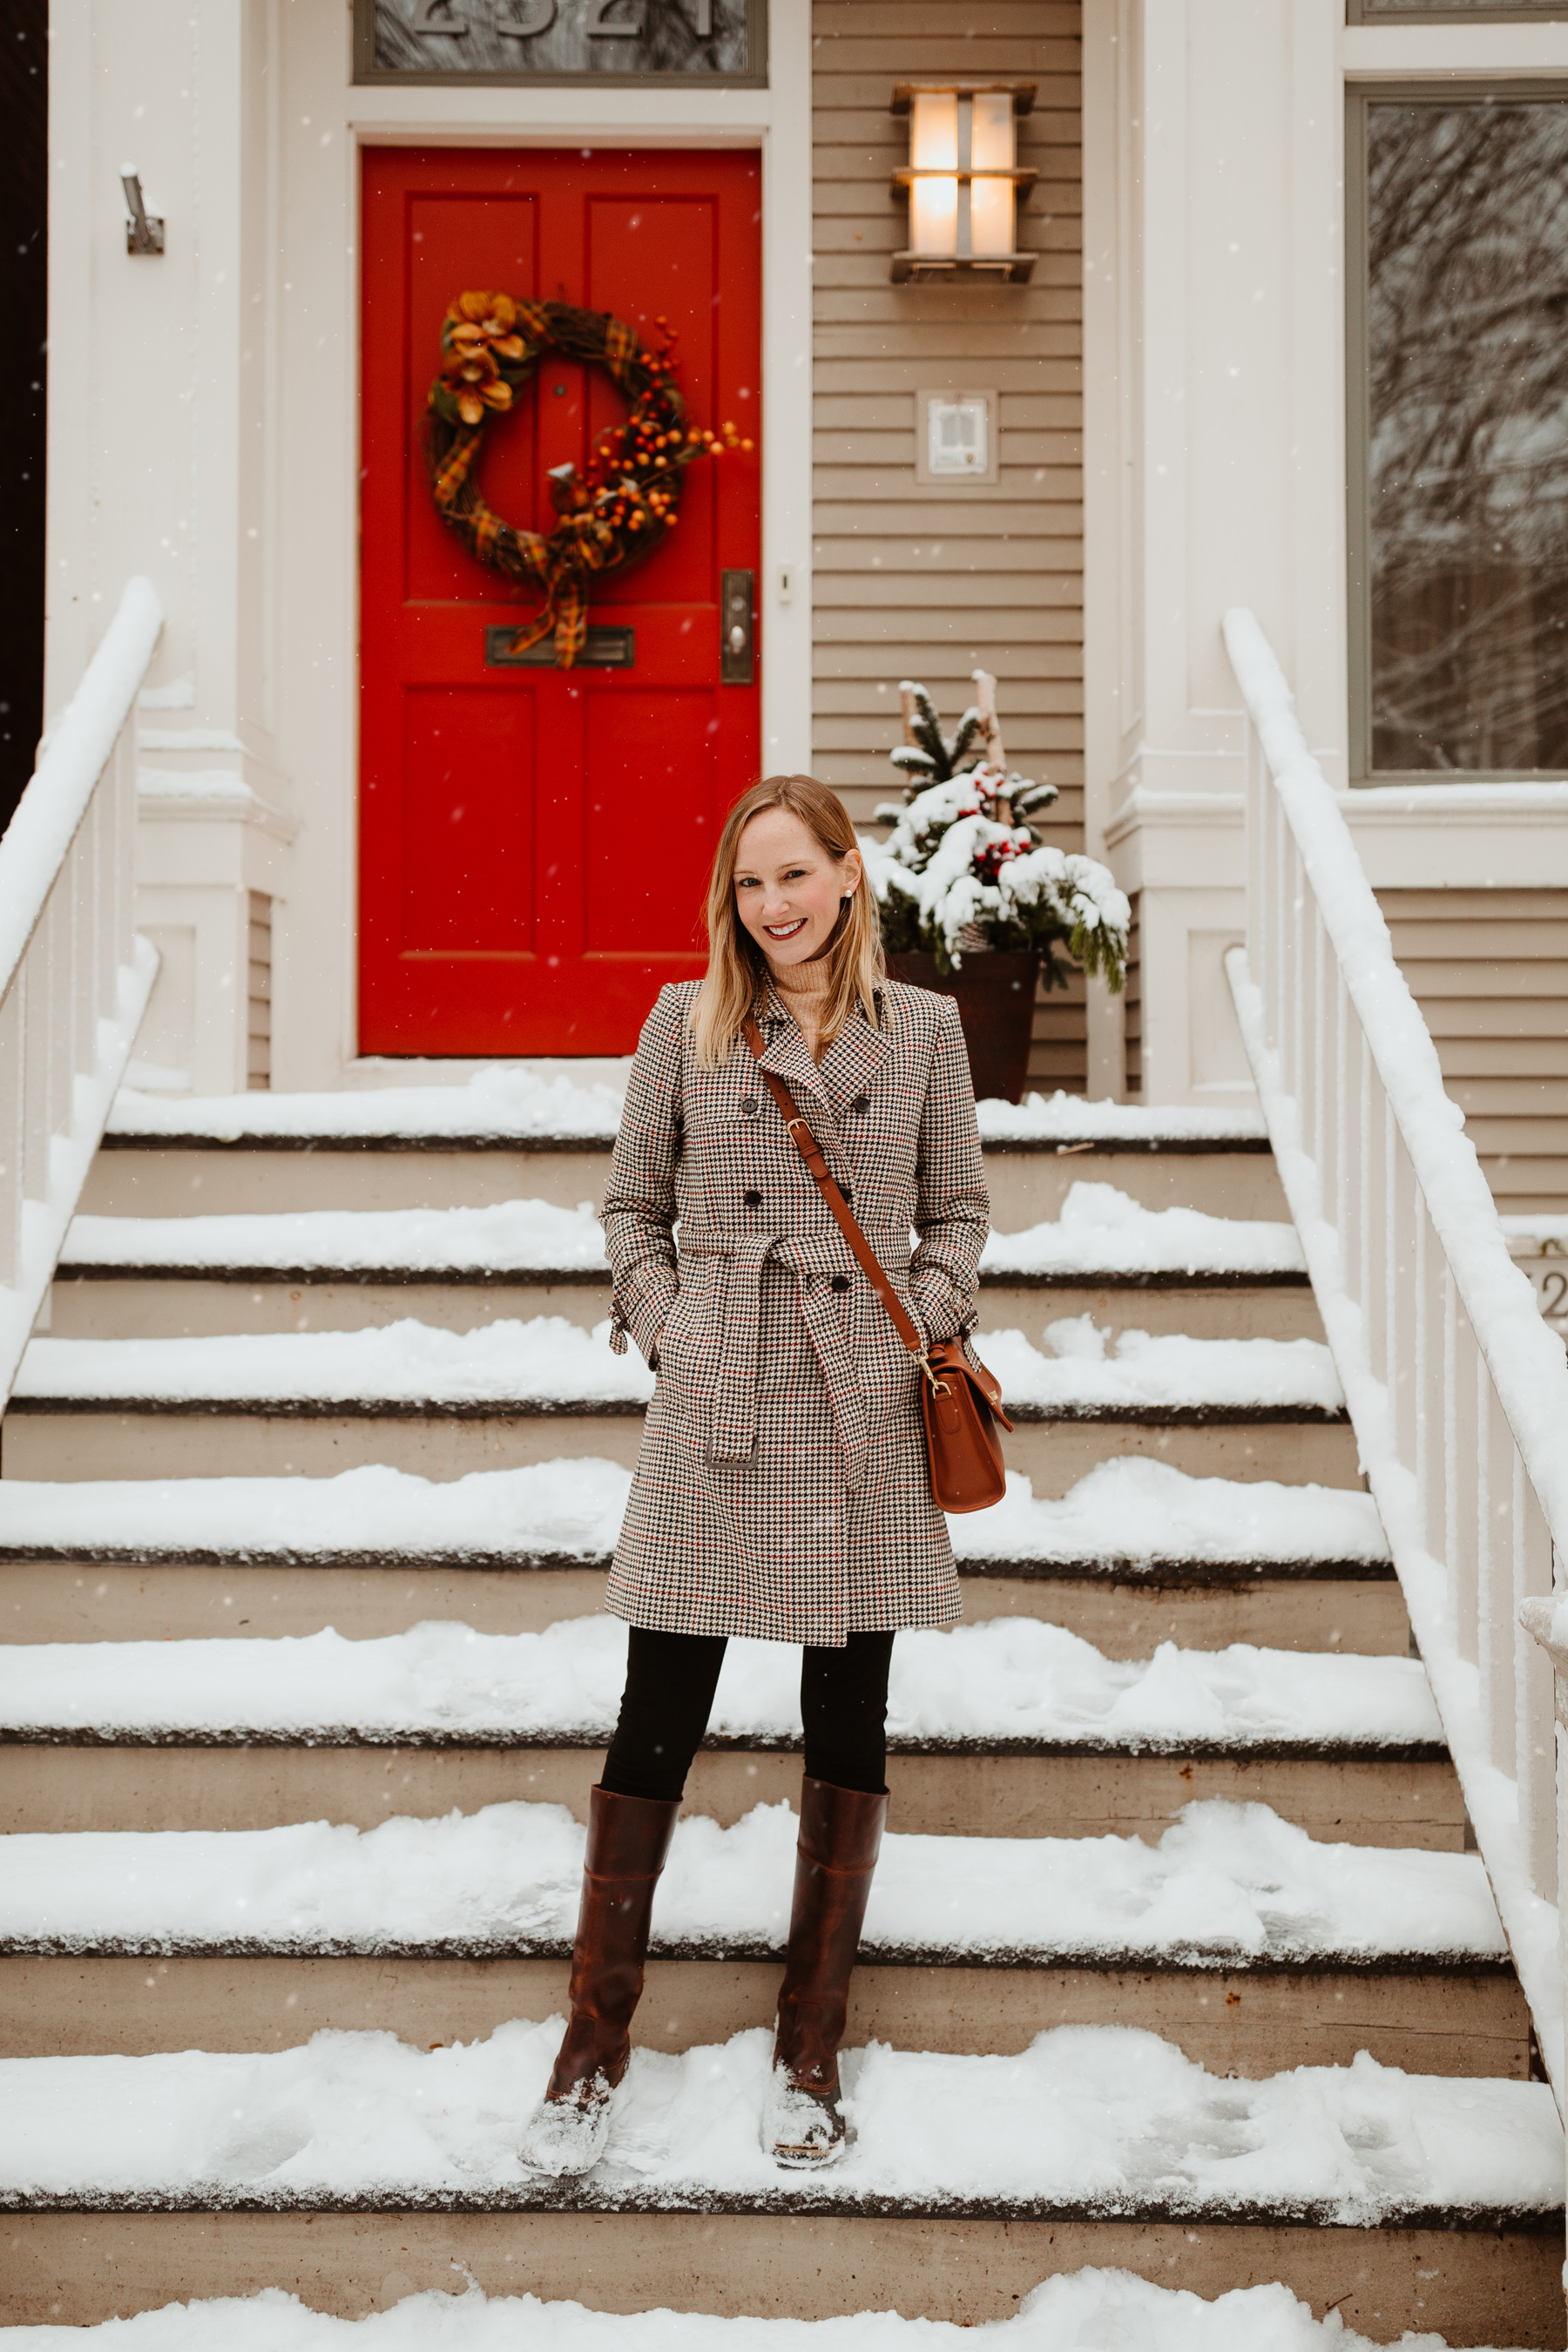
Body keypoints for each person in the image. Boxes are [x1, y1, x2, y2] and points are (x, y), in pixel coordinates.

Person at [519, 774, 990, 2176]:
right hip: (719, 1390)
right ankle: (590, 2049)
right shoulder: (688, 1020)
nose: (773, 906)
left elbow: (958, 1201)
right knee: (657, 1707)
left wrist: (933, 1296)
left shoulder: (926, 1034)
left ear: (851, 876)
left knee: (849, 1717)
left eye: (796, 874)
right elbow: (630, 1204)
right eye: (748, 883)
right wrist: (672, 1326)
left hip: (860, 1400)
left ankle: (810, 2047)